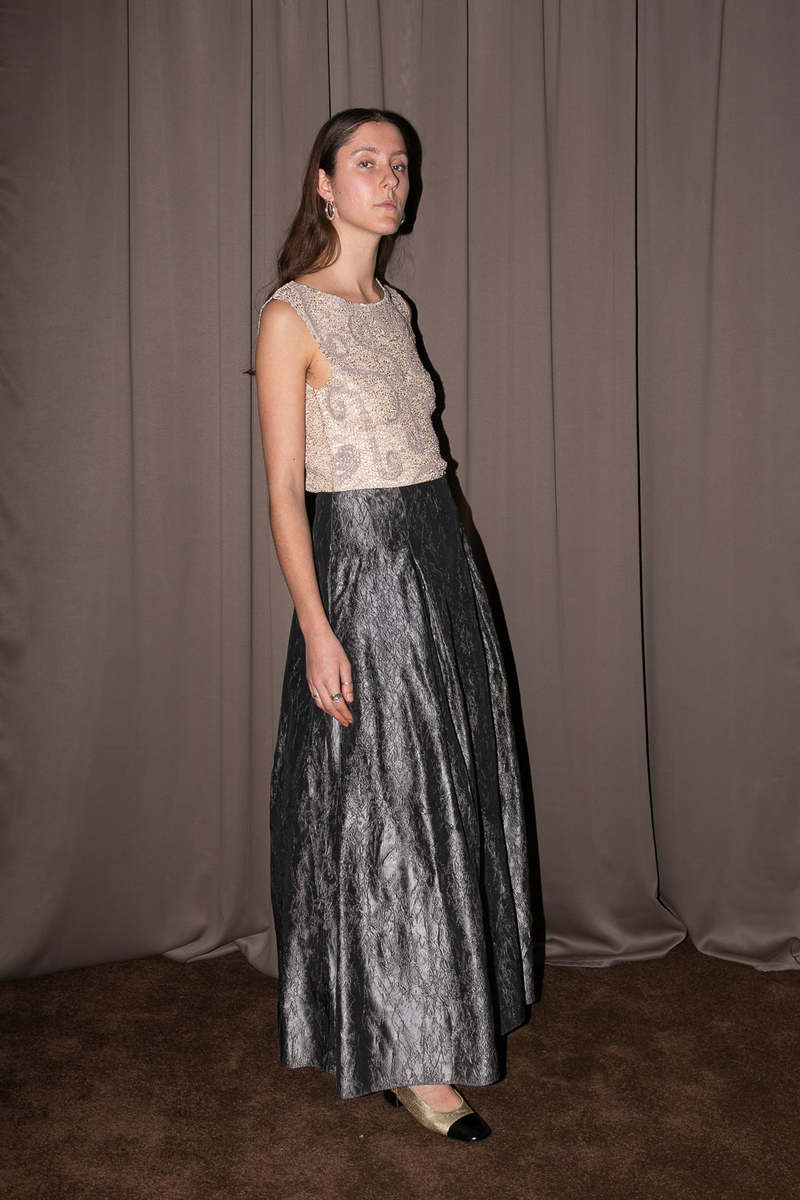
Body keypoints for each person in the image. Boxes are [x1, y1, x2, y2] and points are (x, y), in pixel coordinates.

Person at [254, 107, 536, 1143]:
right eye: (365, 163)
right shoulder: (291, 316)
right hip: (365, 573)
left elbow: (424, 453)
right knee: (389, 803)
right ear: (324, 185)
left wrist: (458, 571)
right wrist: (317, 626)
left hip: (440, 562)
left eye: (399, 165)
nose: (387, 178)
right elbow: (285, 490)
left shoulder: (395, 306)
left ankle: (441, 1005)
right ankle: (410, 1054)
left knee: (447, 789)